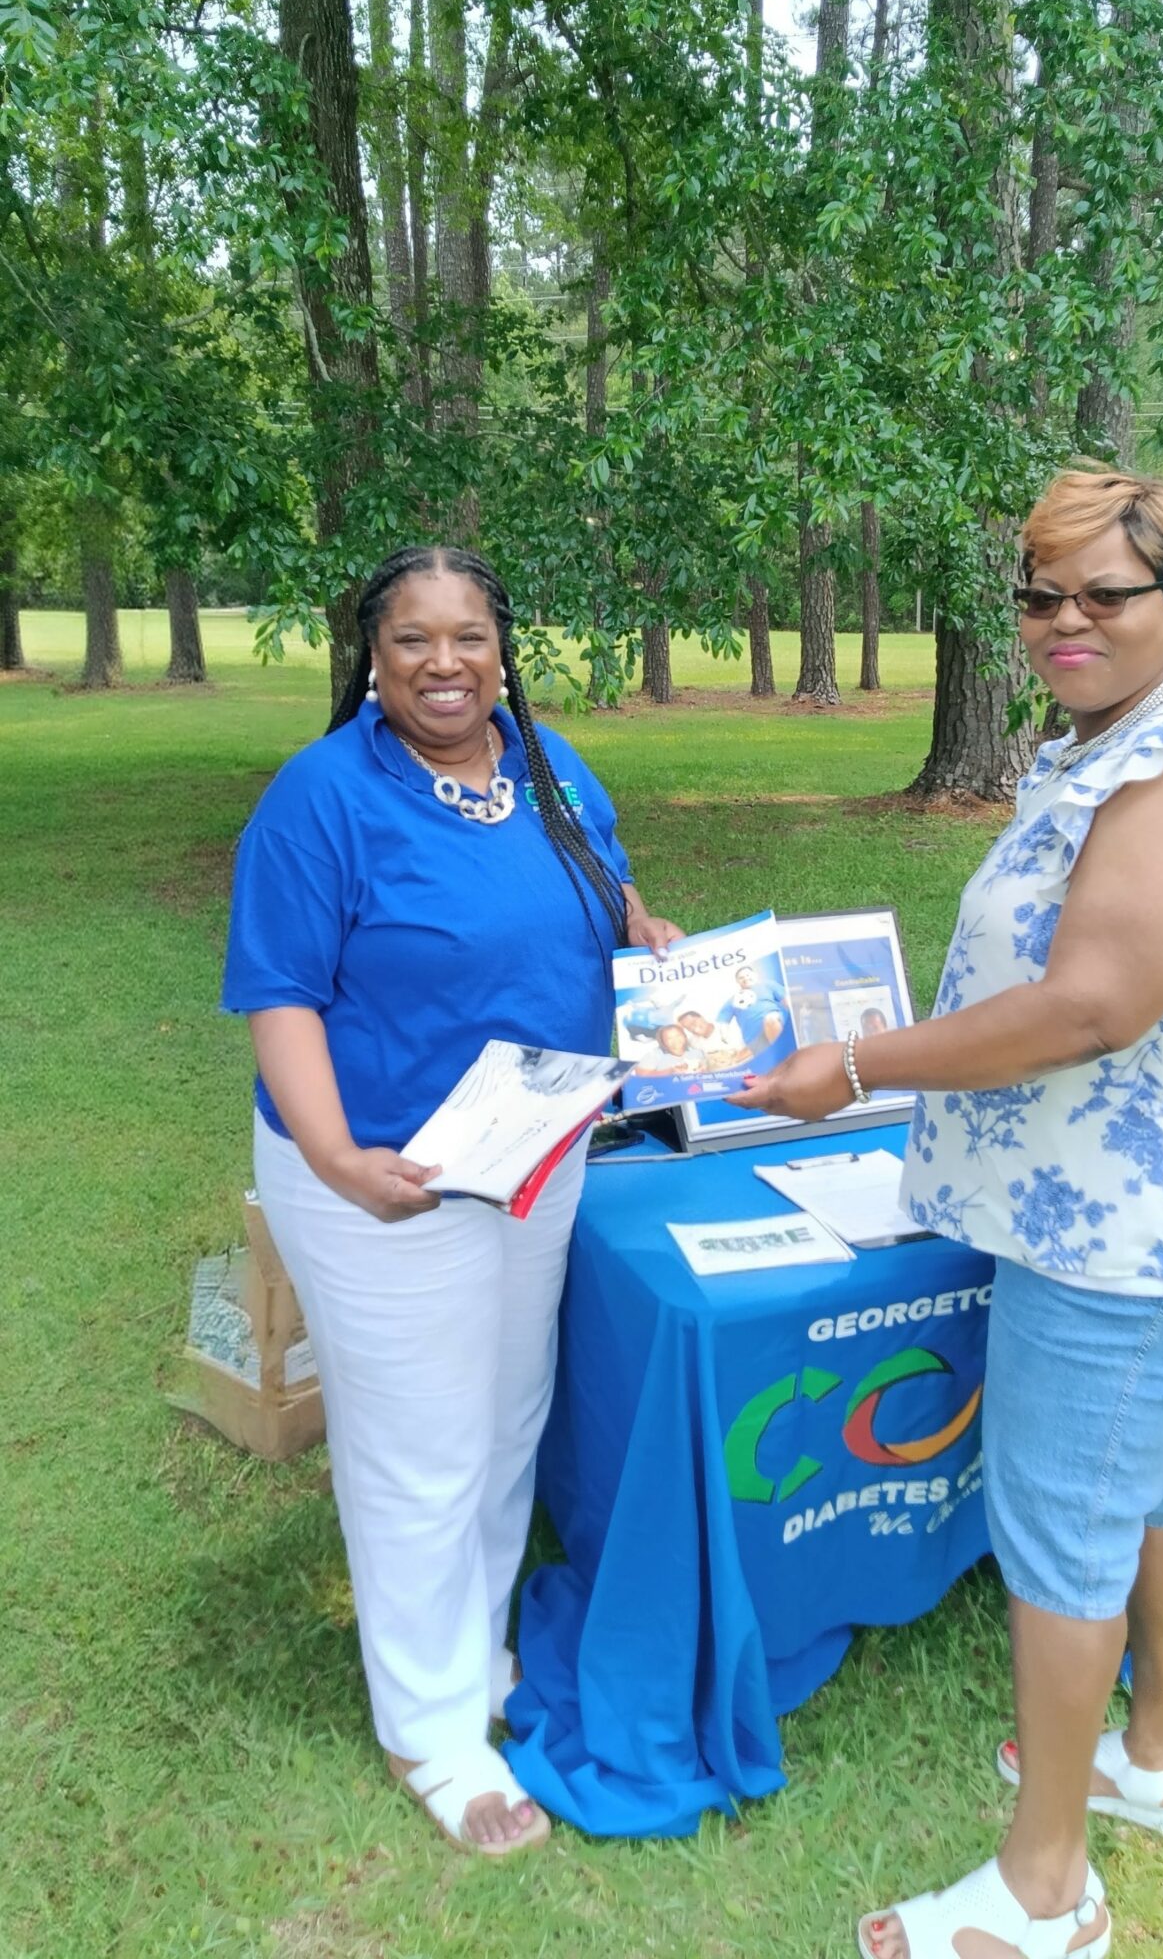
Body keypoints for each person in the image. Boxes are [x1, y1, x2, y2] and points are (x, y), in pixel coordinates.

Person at [732, 469, 1163, 1959]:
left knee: (1068, 1533)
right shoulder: (1103, 747)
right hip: (1144, 1217)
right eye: (1039, 594)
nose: (1065, 620)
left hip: (1137, 1242)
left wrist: (856, 1068)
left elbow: (1090, 1007)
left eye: (1107, 594)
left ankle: (1044, 1889)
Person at [222, 546, 683, 1859]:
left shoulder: (545, 761)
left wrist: (645, 938)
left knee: (502, 1422)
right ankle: (427, 1728)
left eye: (467, 638)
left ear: (502, 648)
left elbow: (605, 887)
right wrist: (333, 1158)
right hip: (388, 1175)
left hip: (537, 1147)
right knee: (419, 1451)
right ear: (371, 653)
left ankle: (473, 1661)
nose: (443, 664)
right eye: (412, 639)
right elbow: (280, 994)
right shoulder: (322, 798)